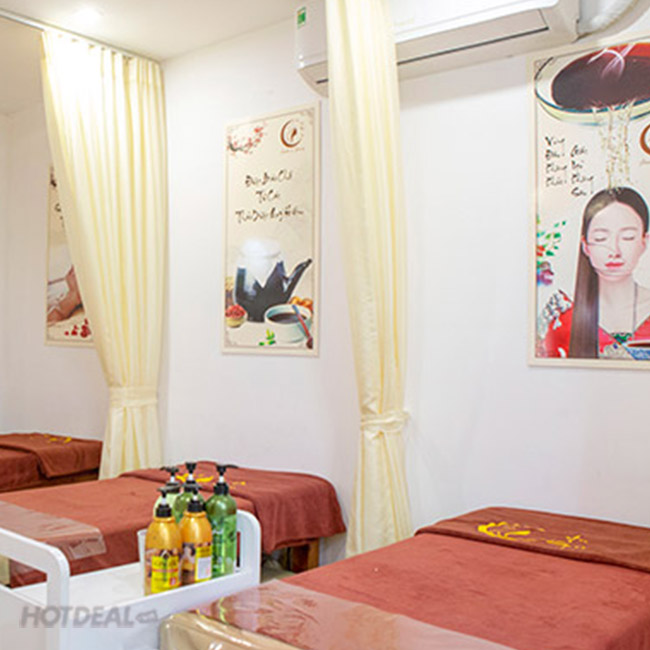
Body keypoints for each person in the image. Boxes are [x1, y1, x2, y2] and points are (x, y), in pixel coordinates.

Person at [539, 186, 650, 359]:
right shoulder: (560, 314)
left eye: (627, 237)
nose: (614, 250)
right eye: (601, 238)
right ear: (585, 246)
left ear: (644, 241)